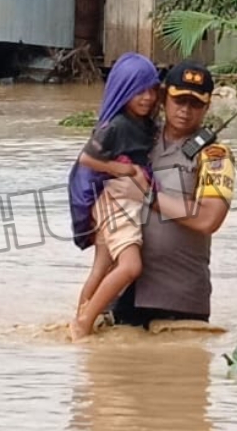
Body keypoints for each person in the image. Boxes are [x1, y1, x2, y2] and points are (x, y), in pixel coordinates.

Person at [107, 60, 236, 329]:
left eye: (195, 104)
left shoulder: (215, 156)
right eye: (179, 101)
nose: (185, 111)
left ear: (207, 106)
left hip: (178, 298)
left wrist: (147, 197)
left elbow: (208, 219)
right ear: (164, 98)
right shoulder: (137, 139)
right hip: (122, 290)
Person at [67, 52, 161, 341]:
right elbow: (86, 159)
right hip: (116, 200)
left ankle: (79, 317)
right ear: (123, 92)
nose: (146, 98)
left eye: (151, 90)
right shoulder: (117, 126)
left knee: (102, 266)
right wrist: (124, 169)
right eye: (138, 92)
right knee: (131, 266)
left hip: (113, 200)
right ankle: (84, 323)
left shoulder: (144, 124)